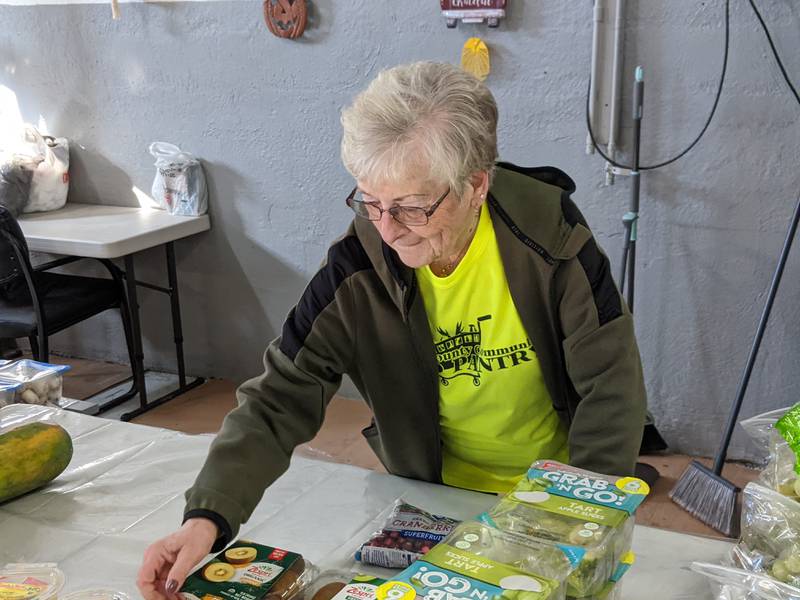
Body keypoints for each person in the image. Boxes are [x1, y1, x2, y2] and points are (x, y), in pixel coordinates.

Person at [137, 61, 647, 599]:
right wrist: (208, 516)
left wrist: (578, 525)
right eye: (370, 201)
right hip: (430, 498)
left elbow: (611, 389)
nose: (387, 230)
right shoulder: (358, 263)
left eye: (411, 207)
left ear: (475, 184)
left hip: (553, 499)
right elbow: (282, 393)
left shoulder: (552, 242)